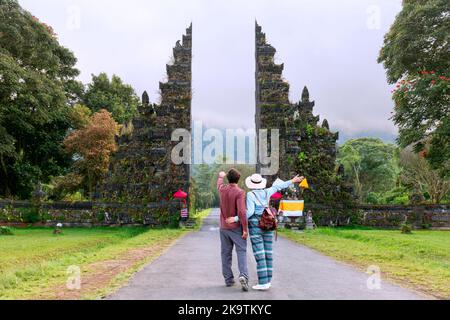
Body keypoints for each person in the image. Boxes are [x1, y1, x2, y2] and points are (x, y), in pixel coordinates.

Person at [230, 173, 304, 291]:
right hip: (269, 224)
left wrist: (235, 218)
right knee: (268, 253)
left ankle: (263, 282)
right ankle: (268, 280)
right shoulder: (267, 192)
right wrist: (293, 180)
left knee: (260, 255)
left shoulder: (250, 194)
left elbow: (249, 213)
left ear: (251, 184)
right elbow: (279, 186)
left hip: (256, 226)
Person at [217, 169, 249, 291]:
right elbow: (241, 211)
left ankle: (228, 280)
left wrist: (220, 176)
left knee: (225, 254)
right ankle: (243, 276)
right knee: (241, 251)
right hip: (236, 228)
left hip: (223, 227)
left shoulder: (223, 190)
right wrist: (245, 229)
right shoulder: (239, 192)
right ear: (238, 179)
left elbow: (219, 185)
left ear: (228, 179)